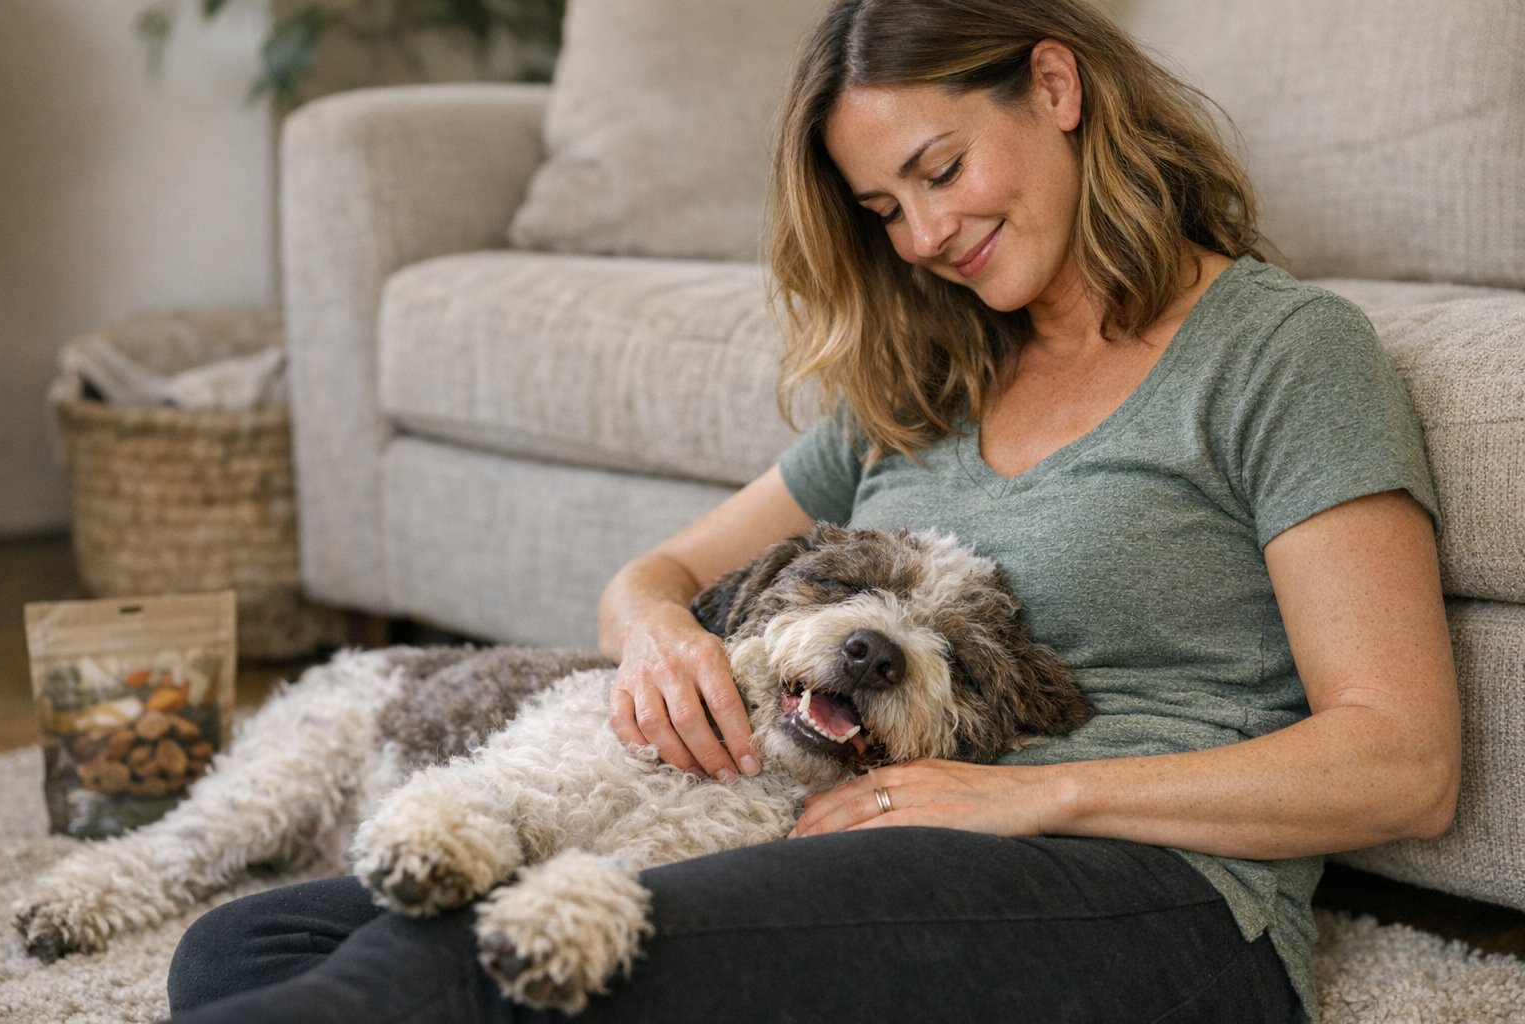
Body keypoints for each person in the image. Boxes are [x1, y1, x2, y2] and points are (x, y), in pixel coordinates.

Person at [164, 1, 1460, 1021]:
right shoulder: (929, 379)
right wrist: (657, 634)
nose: (926, 235)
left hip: (1150, 898)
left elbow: (1403, 764)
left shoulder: (1283, 355)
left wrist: (1026, 798)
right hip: (845, 836)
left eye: (941, 167)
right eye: (887, 208)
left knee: (471, 979)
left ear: (1056, 90)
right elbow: (658, 575)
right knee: (253, 942)